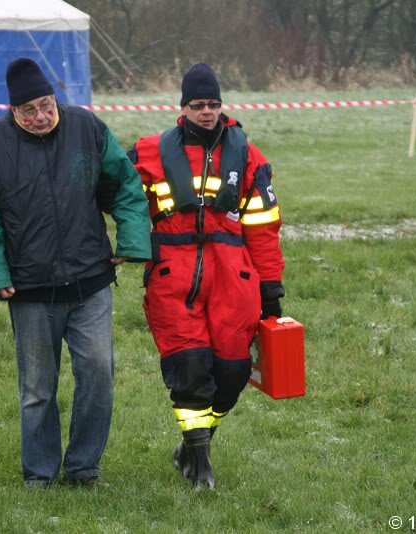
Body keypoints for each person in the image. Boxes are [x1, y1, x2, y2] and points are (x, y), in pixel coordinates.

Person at [0, 58, 151, 489]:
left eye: (46, 105)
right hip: (30, 289)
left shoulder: (88, 129)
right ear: (11, 112)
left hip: (91, 281)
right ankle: (40, 473)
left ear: (56, 100)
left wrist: (133, 242)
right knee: (37, 389)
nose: (40, 116)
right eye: (27, 110)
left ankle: (84, 468)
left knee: (99, 375)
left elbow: (124, 185)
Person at [128, 63, 285, 490]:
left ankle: (193, 443)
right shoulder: (147, 153)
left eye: (214, 104)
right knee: (190, 370)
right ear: (183, 108)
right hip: (171, 277)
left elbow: (264, 228)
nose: (207, 112)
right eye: (198, 104)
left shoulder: (250, 158)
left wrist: (271, 289)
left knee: (233, 375)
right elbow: (118, 200)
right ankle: (200, 463)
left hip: (234, 279)